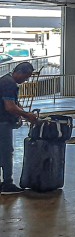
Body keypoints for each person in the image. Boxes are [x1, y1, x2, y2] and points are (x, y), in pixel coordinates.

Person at [0, 62, 38, 194]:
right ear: (19, 72)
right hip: (2, 122)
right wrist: (27, 115)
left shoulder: (6, 80)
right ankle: (7, 183)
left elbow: (15, 103)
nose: (26, 80)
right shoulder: (8, 83)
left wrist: (22, 113)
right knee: (6, 152)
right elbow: (9, 106)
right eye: (26, 77)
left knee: (3, 152)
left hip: (3, 121)